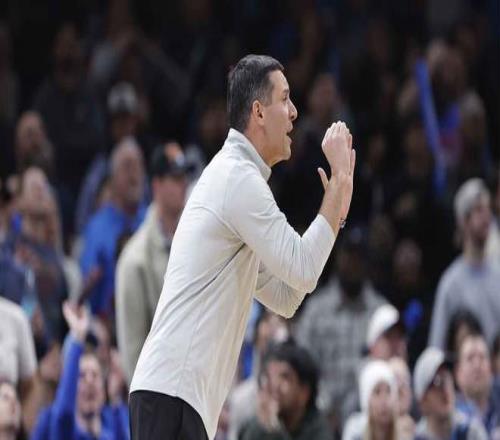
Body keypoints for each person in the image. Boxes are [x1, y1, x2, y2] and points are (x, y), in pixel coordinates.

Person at [129, 54, 356, 440]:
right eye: (284, 98)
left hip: (175, 396)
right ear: (258, 112)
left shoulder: (236, 180)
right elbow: (303, 268)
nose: (294, 111)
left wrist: (336, 210)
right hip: (172, 393)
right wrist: (337, 188)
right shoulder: (238, 178)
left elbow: (287, 297)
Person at [296, 226, 386, 431]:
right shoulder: (316, 310)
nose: (354, 263)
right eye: (349, 255)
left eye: (359, 257)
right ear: (338, 256)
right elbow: (303, 364)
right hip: (319, 414)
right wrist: (324, 405)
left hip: (367, 414)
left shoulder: (380, 310)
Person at [115, 143, 190, 384]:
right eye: (175, 178)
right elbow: (132, 350)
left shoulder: (196, 240)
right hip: (158, 392)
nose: (183, 184)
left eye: (184, 177)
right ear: (156, 185)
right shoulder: (135, 260)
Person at [30, 301, 129, 440]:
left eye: (95, 375)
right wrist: (77, 336)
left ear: (103, 387)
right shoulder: (54, 422)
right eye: (81, 376)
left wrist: (116, 397)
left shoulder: (112, 422)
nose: (89, 381)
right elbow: (64, 416)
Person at [429, 178, 500, 349]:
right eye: (479, 210)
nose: (487, 217)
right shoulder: (451, 283)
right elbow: (436, 347)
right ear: (464, 221)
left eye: (488, 209)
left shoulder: (498, 273)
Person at [79, 137, 146, 316]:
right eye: (127, 166)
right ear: (113, 179)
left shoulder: (152, 220)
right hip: (108, 320)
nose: (134, 174)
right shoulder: (97, 228)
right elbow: (87, 287)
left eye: (138, 166)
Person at [239, 342, 332, 440]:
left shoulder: (319, 431)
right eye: (269, 376)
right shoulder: (252, 425)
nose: (274, 385)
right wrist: (263, 426)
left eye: (284, 377)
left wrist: (272, 430)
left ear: (304, 392)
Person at [413, 347, 487, 440]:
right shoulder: (417, 437)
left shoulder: (470, 431)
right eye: (437, 382)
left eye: (447, 378)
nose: (445, 389)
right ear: (423, 401)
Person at [455, 333, 500, 437]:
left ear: (491, 368)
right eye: (470, 358)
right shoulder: (451, 418)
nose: (477, 365)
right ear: (458, 372)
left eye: (482, 357)